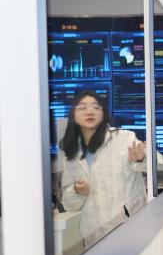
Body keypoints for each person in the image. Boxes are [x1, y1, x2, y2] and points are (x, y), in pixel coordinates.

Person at [58, 90, 153, 246]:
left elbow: (156, 162)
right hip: (94, 236)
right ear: (73, 114)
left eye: (96, 107)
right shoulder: (71, 153)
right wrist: (77, 191)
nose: (89, 111)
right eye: (83, 108)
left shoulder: (124, 138)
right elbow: (69, 204)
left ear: (103, 113)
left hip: (131, 229)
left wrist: (141, 158)